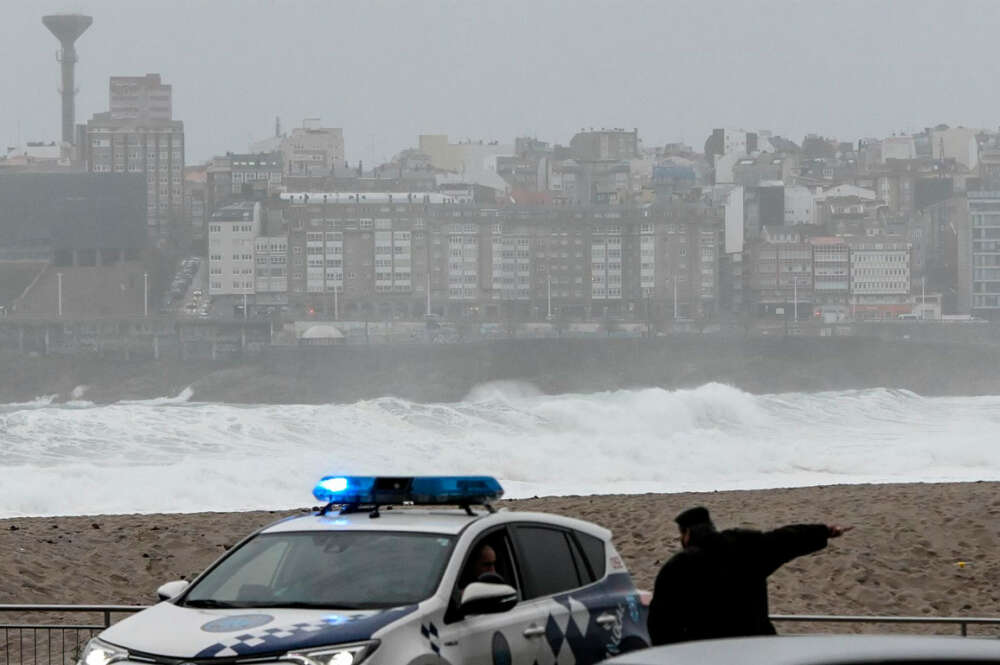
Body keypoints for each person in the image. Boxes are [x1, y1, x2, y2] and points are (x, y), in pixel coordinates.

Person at [647, 506, 852, 646]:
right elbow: (787, 539)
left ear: (687, 534)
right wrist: (824, 531)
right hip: (756, 644)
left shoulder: (678, 566)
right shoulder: (745, 545)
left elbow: (660, 623)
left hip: (706, 650)